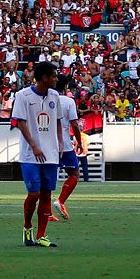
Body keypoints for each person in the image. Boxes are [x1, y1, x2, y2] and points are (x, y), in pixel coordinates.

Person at [10, 61, 63, 248]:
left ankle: (41, 236)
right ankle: (27, 227)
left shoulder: (55, 96)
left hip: (51, 154)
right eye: (54, 76)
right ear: (44, 77)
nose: (56, 79)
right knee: (34, 193)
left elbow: (58, 120)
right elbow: (20, 122)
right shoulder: (22, 96)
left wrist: (61, 142)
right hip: (30, 155)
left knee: (46, 194)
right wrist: (34, 145)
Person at [54, 88, 86, 219]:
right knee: (74, 174)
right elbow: (74, 124)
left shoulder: (42, 99)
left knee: (46, 177)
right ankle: (60, 201)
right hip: (64, 144)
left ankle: (46, 212)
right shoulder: (68, 101)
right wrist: (79, 142)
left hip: (46, 144)